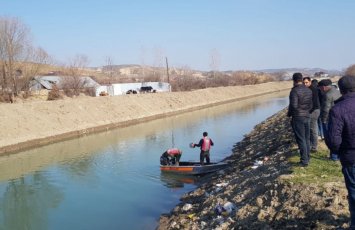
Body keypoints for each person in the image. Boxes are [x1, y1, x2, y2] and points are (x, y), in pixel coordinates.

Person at [325, 75, 355, 228]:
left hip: (351, 158)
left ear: (341, 90)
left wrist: (340, 151)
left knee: (354, 192)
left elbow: (333, 141)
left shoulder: (337, 110)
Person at [287, 73, 313, 167]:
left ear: (293, 80)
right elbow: (311, 105)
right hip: (307, 115)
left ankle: (304, 161)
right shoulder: (308, 90)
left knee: (301, 139)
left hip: (298, 117)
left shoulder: (294, 91)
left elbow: (293, 106)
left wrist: (289, 114)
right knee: (306, 138)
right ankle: (308, 158)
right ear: (301, 80)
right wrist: (306, 111)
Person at [318, 79, 341, 160]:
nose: (320, 90)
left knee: (330, 138)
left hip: (329, 119)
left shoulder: (327, 95)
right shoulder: (338, 91)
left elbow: (326, 109)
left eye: (320, 88)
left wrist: (323, 120)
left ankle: (334, 157)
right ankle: (338, 155)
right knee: (338, 137)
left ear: (324, 87)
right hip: (339, 118)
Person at [303, 77, 321, 152]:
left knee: (313, 129)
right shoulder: (307, 89)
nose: (305, 84)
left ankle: (314, 147)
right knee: (310, 129)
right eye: (304, 83)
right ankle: (311, 145)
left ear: (310, 82)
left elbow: (314, 103)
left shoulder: (313, 89)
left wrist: (308, 111)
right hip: (311, 110)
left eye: (306, 82)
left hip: (314, 111)